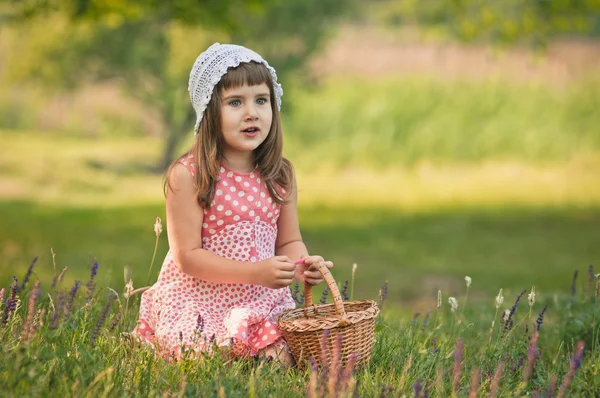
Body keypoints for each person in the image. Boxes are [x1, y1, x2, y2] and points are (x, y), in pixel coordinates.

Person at [132, 43, 333, 366]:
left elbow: (289, 241)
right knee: (211, 359)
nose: (252, 112)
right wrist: (255, 272)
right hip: (201, 301)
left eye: (261, 100)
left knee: (283, 361)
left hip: (261, 299)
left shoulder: (279, 174)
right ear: (210, 111)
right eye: (235, 102)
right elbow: (188, 258)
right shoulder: (189, 176)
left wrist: (302, 265)